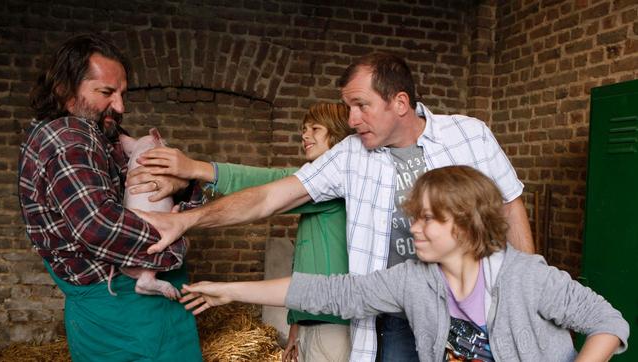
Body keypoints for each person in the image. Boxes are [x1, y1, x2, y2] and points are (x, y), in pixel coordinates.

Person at [131, 53, 534, 361]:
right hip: (396, 316)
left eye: (361, 106)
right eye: (347, 108)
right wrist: (186, 220)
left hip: (478, 308)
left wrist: (526, 292)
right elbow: (272, 195)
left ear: (399, 102)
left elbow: (511, 207)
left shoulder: (470, 135)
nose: (352, 119)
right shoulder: (350, 156)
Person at [179, 165, 630, 362]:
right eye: (414, 215)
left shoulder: (526, 277)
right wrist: (229, 290)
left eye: (429, 219)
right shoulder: (414, 280)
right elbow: (333, 293)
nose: (414, 227)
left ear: (468, 225)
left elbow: (609, 321)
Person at [17, 34, 203, 361]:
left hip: (133, 307)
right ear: (63, 89)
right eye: (106, 93)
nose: (120, 107)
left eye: (122, 94)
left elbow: (174, 176)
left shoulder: (99, 131)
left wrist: (181, 185)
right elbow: (99, 227)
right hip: (120, 314)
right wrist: (178, 237)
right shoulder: (68, 142)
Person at [134, 102, 355, 362]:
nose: (305, 135)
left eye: (315, 129)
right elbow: (308, 268)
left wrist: (195, 168)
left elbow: (264, 185)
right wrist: (296, 326)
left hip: (332, 326)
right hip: (313, 321)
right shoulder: (316, 186)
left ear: (339, 134)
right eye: (303, 129)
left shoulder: (338, 184)